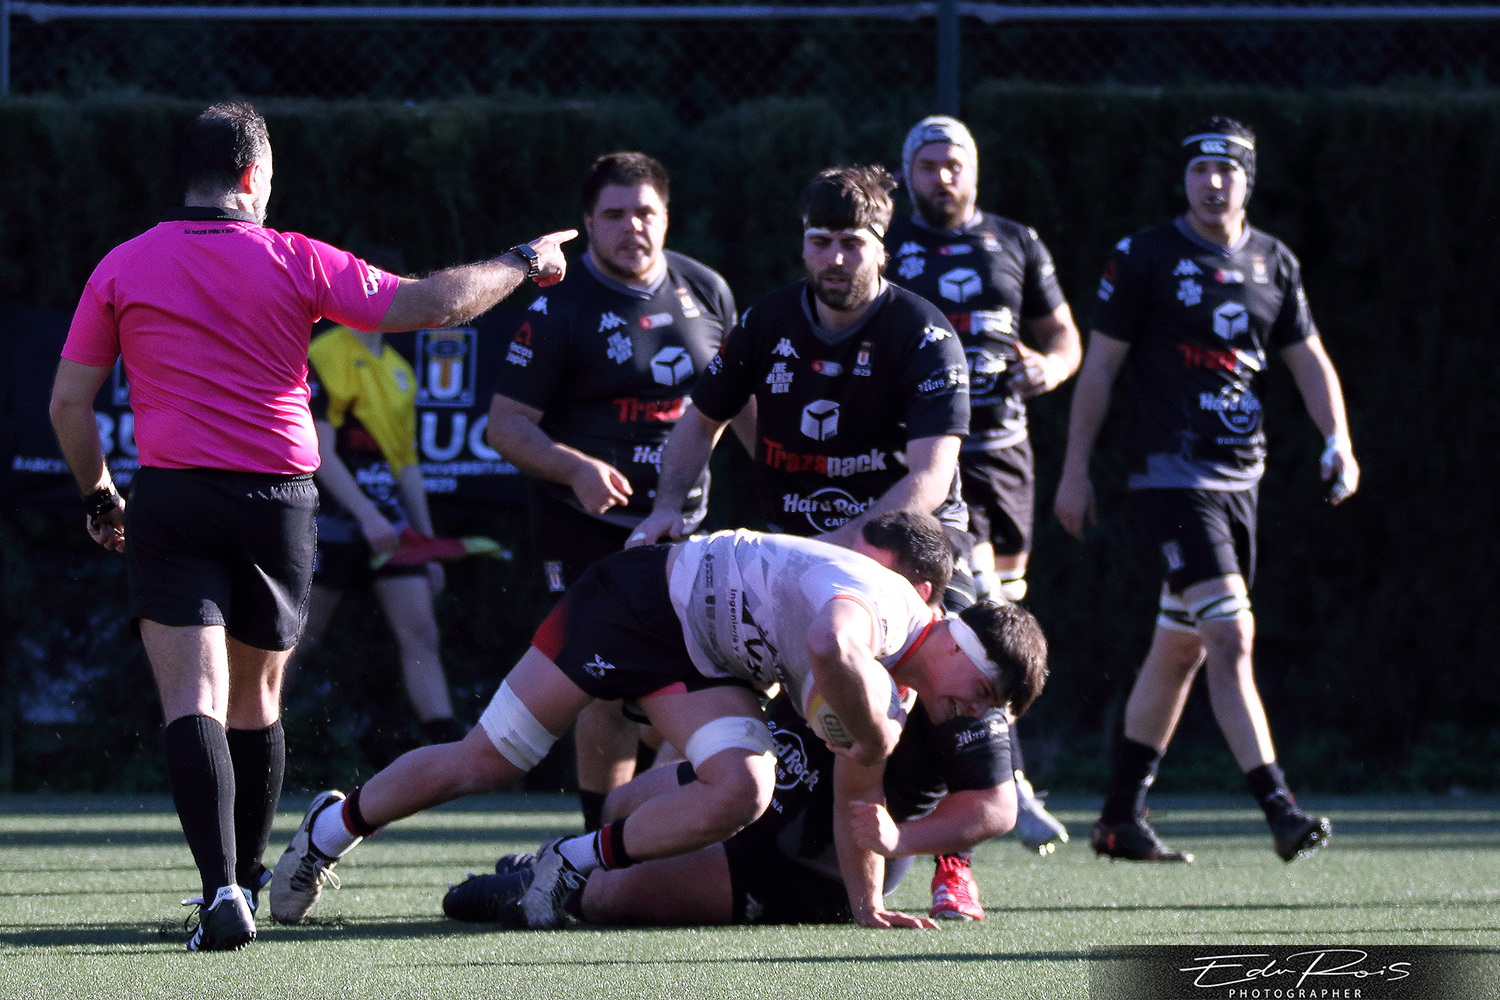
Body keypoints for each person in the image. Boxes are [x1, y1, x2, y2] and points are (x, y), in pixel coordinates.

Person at [47, 101, 575, 951]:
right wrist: (522, 259)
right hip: (278, 505)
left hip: (173, 499)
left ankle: (222, 889)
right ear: (254, 175)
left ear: (190, 175)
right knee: (257, 699)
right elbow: (432, 305)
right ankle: (249, 876)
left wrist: (100, 497)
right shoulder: (294, 256)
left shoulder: (123, 263)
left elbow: (69, 405)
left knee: (192, 700)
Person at [269, 512, 1041, 931]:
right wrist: (872, 732)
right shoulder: (889, 615)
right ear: (955, 639)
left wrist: (869, 906)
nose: (978, 710)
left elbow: (855, 796)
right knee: (487, 761)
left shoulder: (899, 684)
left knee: (743, 789)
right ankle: (330, 829)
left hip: (700, 659)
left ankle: (572, 860)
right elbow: (830, 643)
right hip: (636, 602)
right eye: (981, 689)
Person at [1053, 117, 1359, 863]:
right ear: (1182, 178)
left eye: (1227, 170)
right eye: (1199, 169)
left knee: (1181, 648)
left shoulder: (1274, 261)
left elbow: (1309, 360)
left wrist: (1339, 441)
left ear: (1248, 179)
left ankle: (1119, 818)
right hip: (1171, 476)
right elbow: (1099, 368)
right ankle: (1280, 809)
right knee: (1231, 635)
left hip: (1241, 479)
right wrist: (1074, 469)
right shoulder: (1145, 256)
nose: (1212, 182)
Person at [485, 152, 743, 831]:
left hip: (681, 525)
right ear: (588, 223)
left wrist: (787, 477)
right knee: (604, 683)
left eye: (646, 212)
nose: (633, 227)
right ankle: (598, 840)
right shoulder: (558, 306)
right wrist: (574, 467)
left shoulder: (705, 289)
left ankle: (648, 827)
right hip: (584, 526)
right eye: (615, 214)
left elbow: (738, 405)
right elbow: (505, 427)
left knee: (691, 678)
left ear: (667, 216)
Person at [443, 649, 1036, 928]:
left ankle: (543, 885)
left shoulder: (966, 694)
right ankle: (558, 863)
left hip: (808, 860)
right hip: (756, 784)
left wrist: (901, 839)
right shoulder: (846, 608)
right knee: (621, 804)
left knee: (611, 897)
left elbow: (996, 808)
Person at [884, 114, 1083, 901]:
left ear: (975, 170)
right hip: (924, 463)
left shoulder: (1016, 242)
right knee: (956, 633)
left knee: (997, 633)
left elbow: (1064, 337)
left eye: (954, 163)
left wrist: (1051, 368)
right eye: (928, 164)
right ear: (908, 172)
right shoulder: (887, 245)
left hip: (1002, 456)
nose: (943, 176)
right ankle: (981, 818)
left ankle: (973, 825)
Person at [631, 165, 969, 559]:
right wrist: (667, 506)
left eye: (852, 243)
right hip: (796, 543)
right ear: (804, 246)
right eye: (820, 241)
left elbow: (931, 477)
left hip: (907, 545)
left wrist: (840, 545)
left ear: (881, 252)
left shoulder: (925, 336)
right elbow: (702, 420)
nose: (835, 259)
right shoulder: (767, 322)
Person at [283, 320, 464, 752]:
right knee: (299, 636)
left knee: (421, 633)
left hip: (391, 526)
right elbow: (317, 450)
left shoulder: (400, 369)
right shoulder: (324, 353)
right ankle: (243, 732)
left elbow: (407, 465)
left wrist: (427, 544)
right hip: (329, 522)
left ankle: (446, 749)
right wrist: (365, 515)